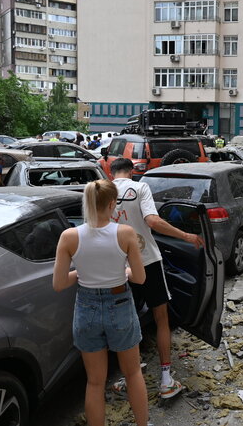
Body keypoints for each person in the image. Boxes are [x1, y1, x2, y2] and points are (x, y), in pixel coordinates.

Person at [52, 180, 150, 426]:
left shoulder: (69, 236)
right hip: (120, 304)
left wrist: (82, 273)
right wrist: (124, 271)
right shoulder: (125, 233)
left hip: (86, 307)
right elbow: (139, 278)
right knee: (133, 372)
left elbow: (59, 283)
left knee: (95, 381)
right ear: (111, 203)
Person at [110, 158, 205, 399]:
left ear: (110, 172)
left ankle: (128, 377)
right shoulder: (140, 187)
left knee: (127, 320)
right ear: (131, 171)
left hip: (118, 266)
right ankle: (165, 380)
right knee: (161, 318)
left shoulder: (101, 190)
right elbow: (152, 221)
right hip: (147, 261)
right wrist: (185, 235)